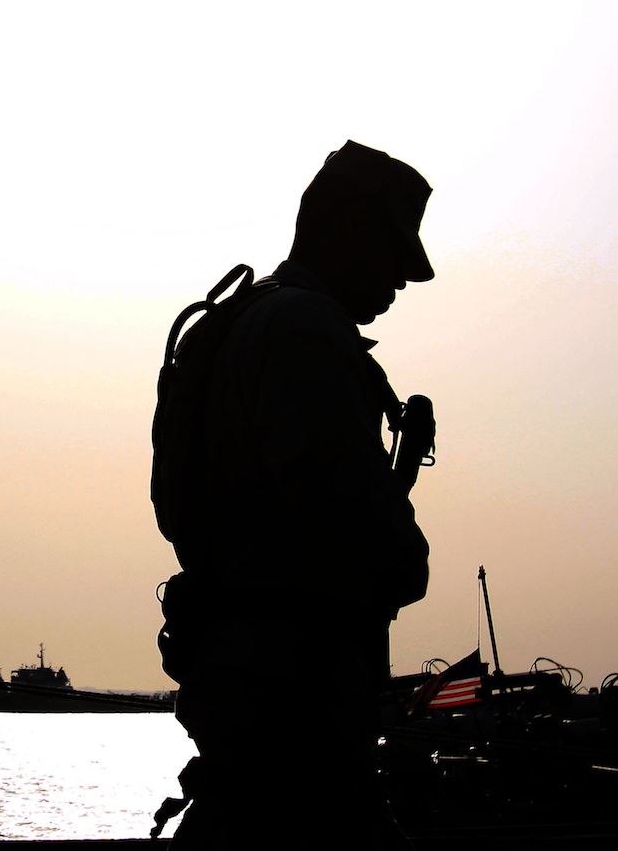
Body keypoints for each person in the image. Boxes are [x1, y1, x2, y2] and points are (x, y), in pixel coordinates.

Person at [152, 141, 434, 847]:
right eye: (392, 249)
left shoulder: (252, 319)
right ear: (344, 229)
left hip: (247, 673)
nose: (403, 275)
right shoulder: (305, 329)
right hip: (295, 690)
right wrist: (408, 558)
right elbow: (345, 502)